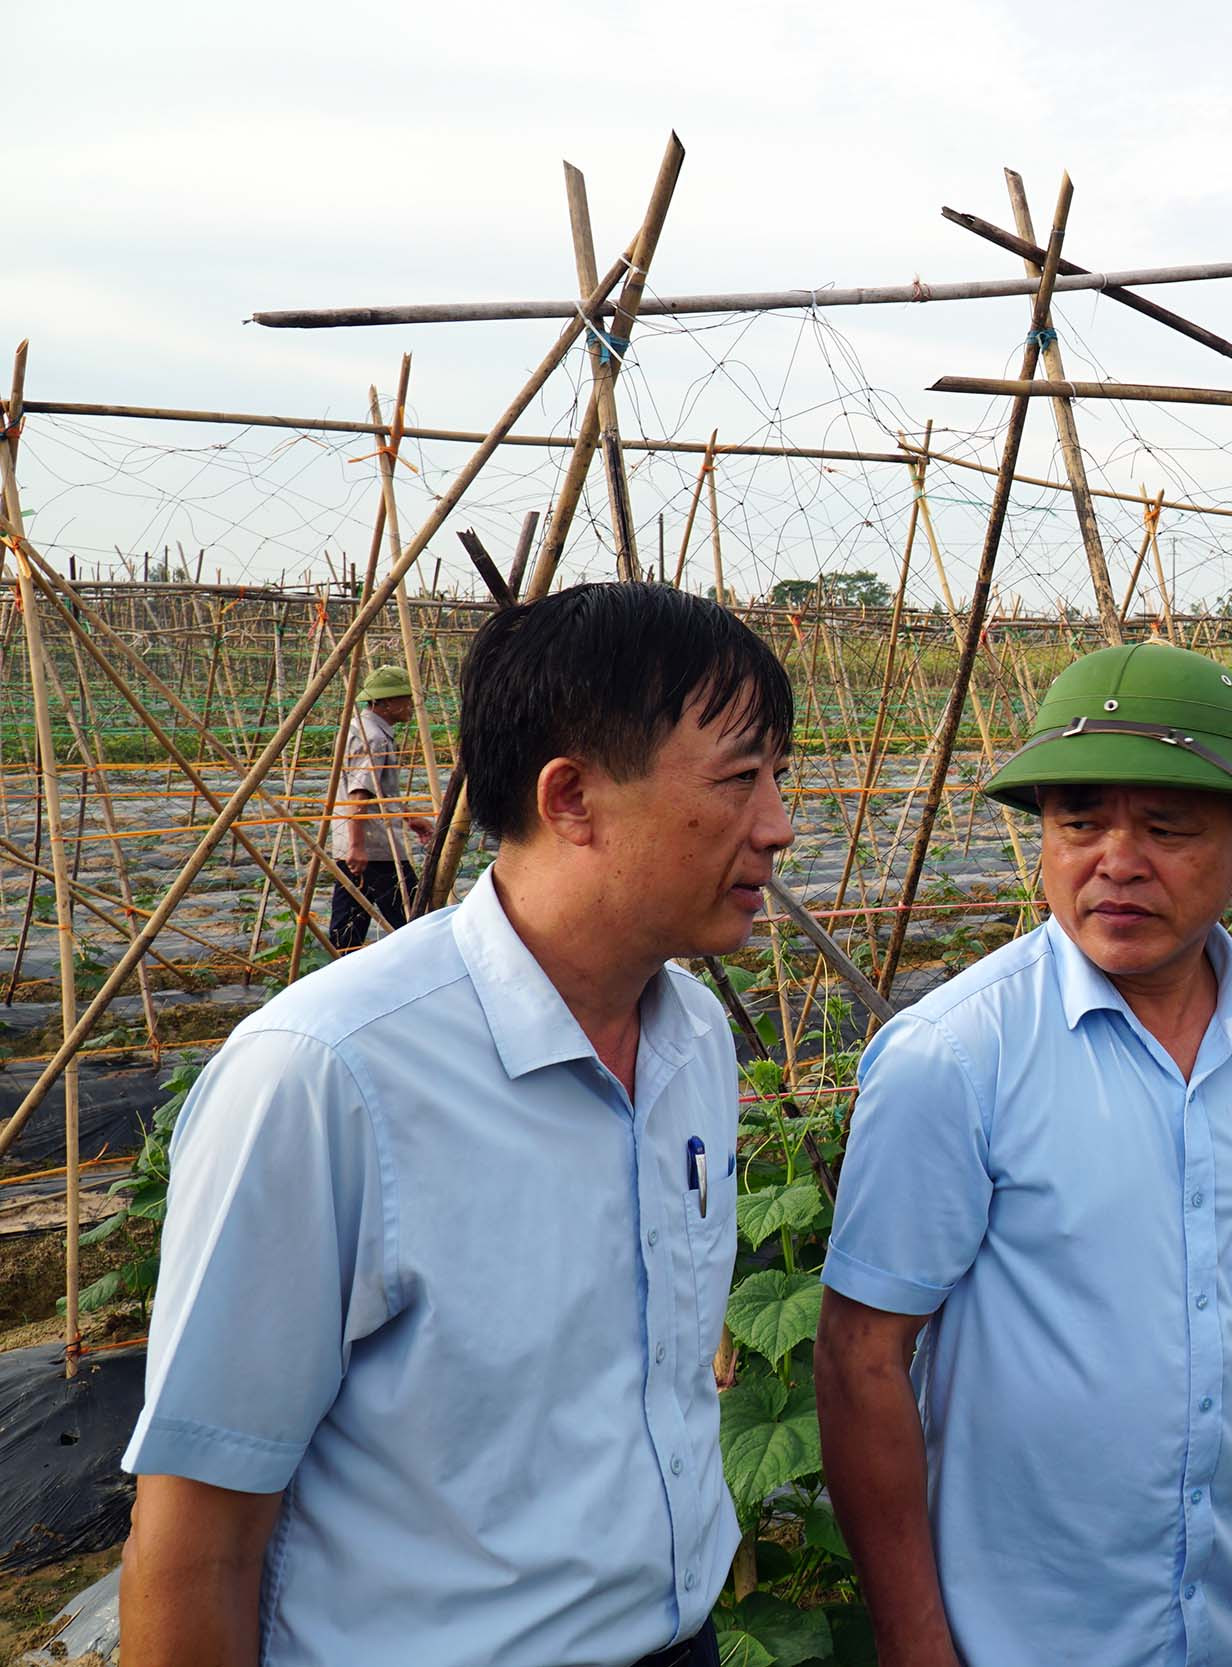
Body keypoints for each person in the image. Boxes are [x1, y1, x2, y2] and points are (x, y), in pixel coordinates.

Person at [120, 584, 794, 1667]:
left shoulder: (694, 1037)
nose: (778, 822)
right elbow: (200, 1537)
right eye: (739, 778)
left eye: (779, 777)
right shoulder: (328, 1077)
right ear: (571, 797)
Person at [815, 641, 1232, 1667]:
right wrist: (913, 1636)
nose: (1114, 861)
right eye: (1078, 822)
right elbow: (862, 1355)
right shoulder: (955, 1054)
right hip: (1027, 1638)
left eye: (1166, 827)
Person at [327, 662, 435, 950]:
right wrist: (357, 846)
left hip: (362, 841)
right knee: (415, 919)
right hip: (374, 847)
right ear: (387, 702)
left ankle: (340, 976)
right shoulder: (372, 737)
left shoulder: (362, 728)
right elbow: (359, 793)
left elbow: (377, 790)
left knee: (348, 928)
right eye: (405, 699)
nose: (411, 706)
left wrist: (408, 817)